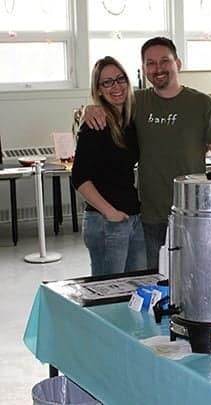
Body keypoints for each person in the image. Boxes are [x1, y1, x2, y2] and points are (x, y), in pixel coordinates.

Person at [84, 37, 211, 270]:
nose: (158, 68)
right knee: (151, 285)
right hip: (148, 217)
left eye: (165, 61)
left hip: (190, 216)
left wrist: (206, 205)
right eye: (150, 63)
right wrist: (90, 109)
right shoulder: (136, 102)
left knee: (192, 282)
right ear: (144, 69)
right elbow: (106, 103)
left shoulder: (204, 105)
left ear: (178, 64)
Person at [72, 56, 147, 276]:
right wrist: (110, 213)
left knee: (136, 289)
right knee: (110, 294)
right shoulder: (96, 124)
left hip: (133, 217)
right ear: (98, 89)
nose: (116, 86)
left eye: (120, 79)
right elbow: (80, 178)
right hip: (107, 221)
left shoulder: (129, 120)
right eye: (107, 82)